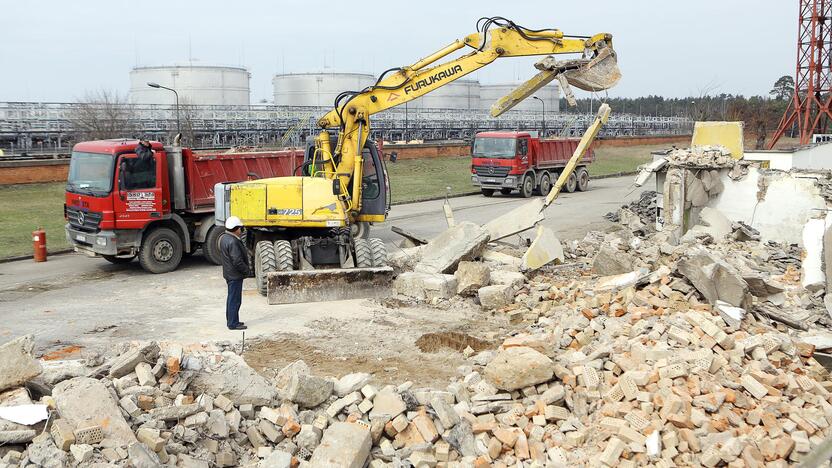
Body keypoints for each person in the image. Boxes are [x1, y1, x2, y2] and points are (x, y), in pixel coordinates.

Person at [220, 216, 251, 330]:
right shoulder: (233, 241)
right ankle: (233, 323)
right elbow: (237, 261)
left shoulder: (224, 238)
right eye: (240, 228)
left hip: (230, 274)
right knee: (235, 300)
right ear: (236, 229)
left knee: (232, 298)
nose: (241, 230)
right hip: (234, 275)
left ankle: (233, 320)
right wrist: (246, 271)